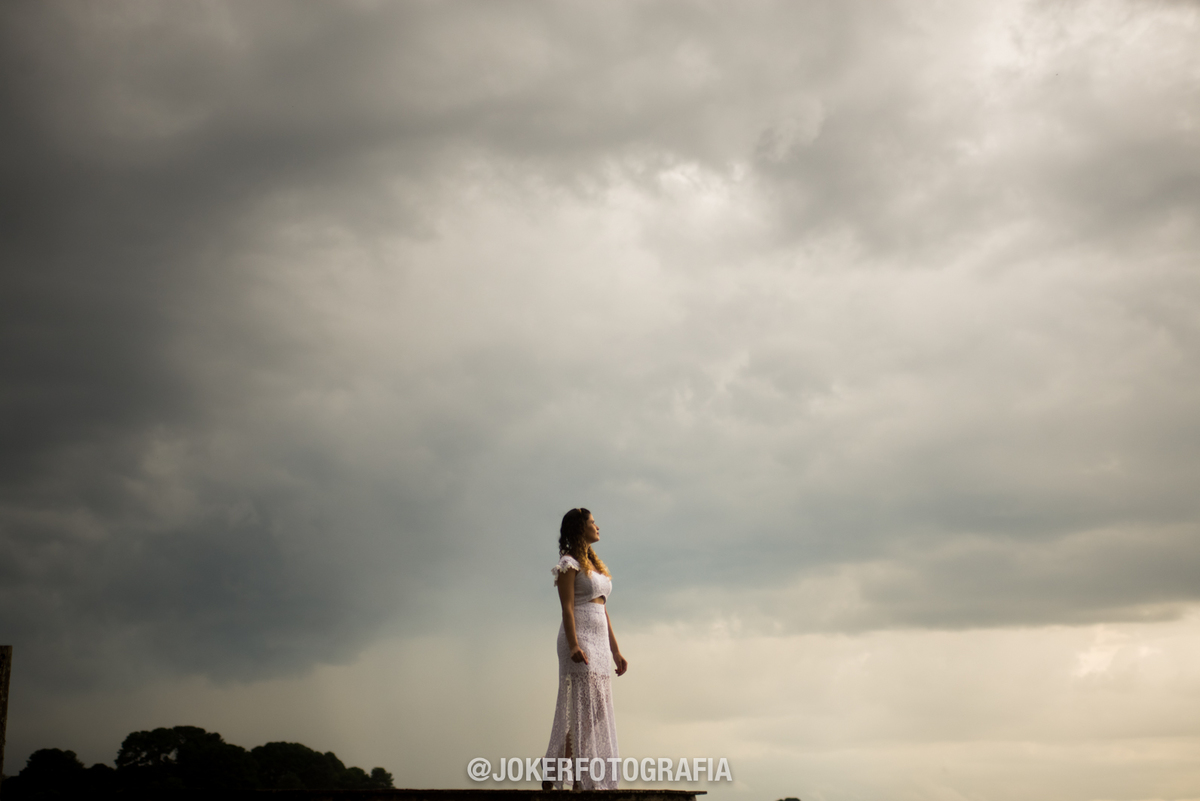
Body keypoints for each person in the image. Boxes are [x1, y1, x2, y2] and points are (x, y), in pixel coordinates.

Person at [541, 508, 628, 790]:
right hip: (578, 638)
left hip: (600, 641)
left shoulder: (595, 565)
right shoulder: (568, 563)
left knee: (598, 709)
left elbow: (604, 610)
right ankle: (577, 779)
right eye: (592, 522)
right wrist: (574, 643)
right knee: (579, 708)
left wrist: (616, 650)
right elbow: (566, 606)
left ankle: (556, 766)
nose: (597, 526)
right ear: (581, 528)